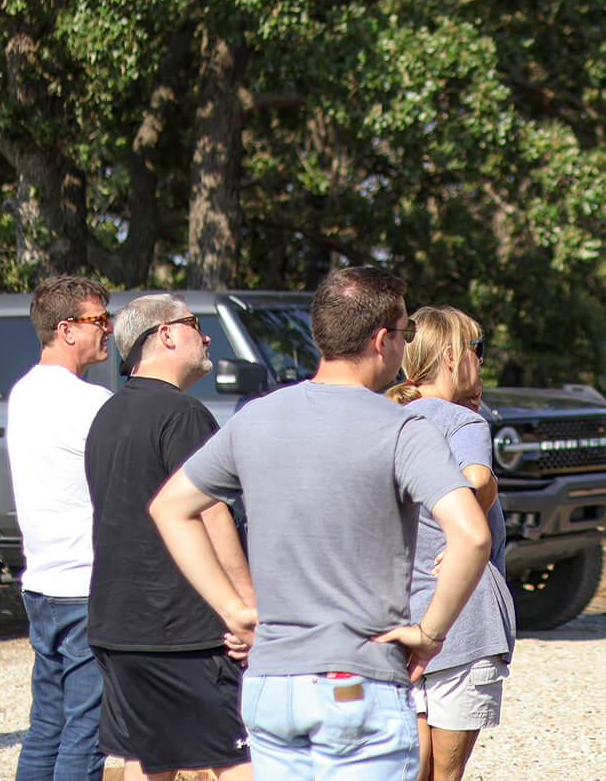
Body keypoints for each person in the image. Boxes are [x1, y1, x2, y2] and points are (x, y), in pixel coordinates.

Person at [149, 266, 492, 781]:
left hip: (272, 686)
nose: (405, 347)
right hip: (358, 683)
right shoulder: (403, 428)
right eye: (405, 333)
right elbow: (472, 534)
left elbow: (170, 508)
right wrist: (429, 633)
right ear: (382, 340)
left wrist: (235, 610)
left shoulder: (257, 417)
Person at [84, 294, 255, 781]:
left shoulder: (107, 415)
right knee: (237, 758)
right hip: (188, 631)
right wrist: (245, 606)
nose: (205, 337)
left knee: (144, 760)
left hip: (119, 625)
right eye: (195, 325)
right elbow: (212, 514)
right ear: (164, 334)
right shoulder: (184, 415)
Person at [386, 306, 515, 781]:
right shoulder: (463, 422)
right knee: (448, 772)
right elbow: (477, 478)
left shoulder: (387, 415)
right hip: (461, 619)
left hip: (401, 613)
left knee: (407, 766)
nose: (481, 362)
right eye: (477, 351)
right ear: (450, 357)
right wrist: (469, 521)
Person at [8, 274, 116, 781]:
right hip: (84, 584)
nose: (108, 329)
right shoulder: (86, 402)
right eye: (99, 319)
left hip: (42, 584)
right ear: (67, 328)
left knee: (46, 726)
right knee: (84, 733)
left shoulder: (23, 392)